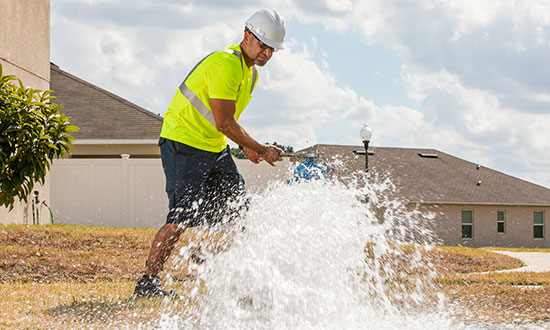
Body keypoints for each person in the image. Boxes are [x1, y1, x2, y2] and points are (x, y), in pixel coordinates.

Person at [134, 9, 286, 298]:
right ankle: (148, 282)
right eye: (263, 45)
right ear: (247, 36)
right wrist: (261, 149)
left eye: (272, 49)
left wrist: (245, 146)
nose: (266, 52)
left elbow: (228, 120)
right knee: (181, 216)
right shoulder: (225, 64)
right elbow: (225, 122)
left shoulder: (250, 75)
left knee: (239, 210)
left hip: (214, 147)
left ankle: (205, 256)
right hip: (183, 143)